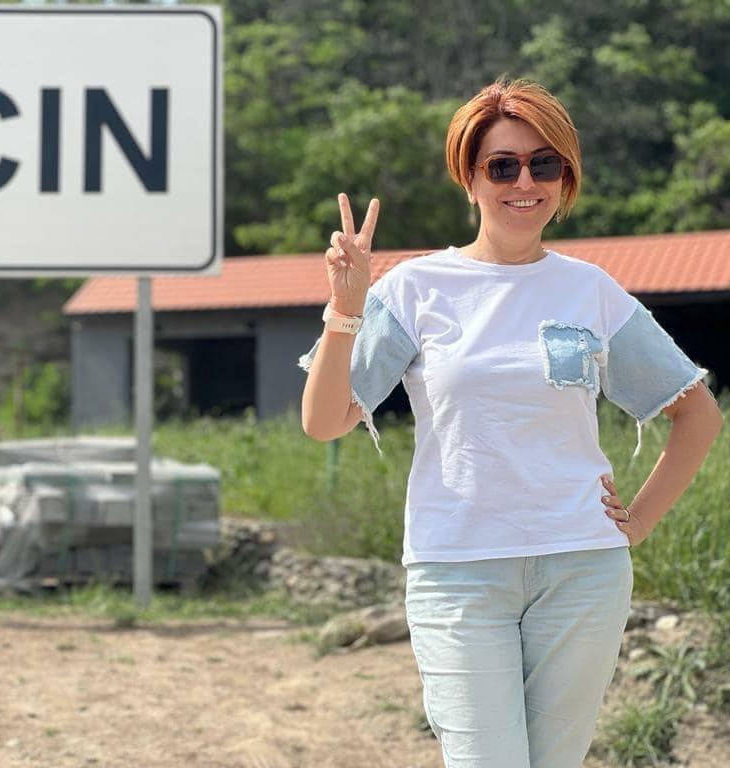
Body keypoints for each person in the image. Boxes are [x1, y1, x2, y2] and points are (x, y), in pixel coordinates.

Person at [298, 77, 724, 768]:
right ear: (469, 179)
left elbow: (697, 412)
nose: (525, 182)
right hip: (458, 574)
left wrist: (638, 522)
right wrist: (346, 308)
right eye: (502, 166)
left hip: (583, 573)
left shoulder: (591, 291)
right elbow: (324, 422)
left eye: (544, 164)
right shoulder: (414, 289)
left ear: (565, 179)